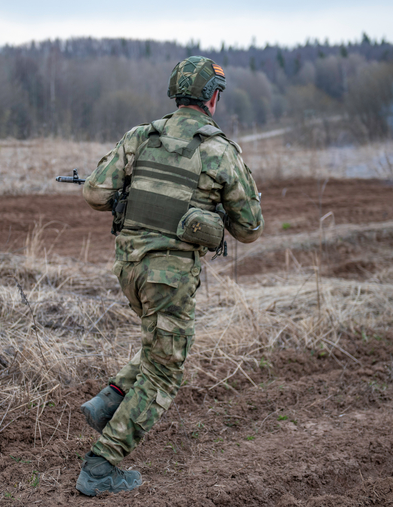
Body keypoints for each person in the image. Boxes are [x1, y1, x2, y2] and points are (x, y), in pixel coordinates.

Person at [76, 56, 264, 496]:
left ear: (175, 92)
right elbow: (250, 230)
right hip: (170, 277)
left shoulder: (141, 136)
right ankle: (101, 467)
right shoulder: (221, 150)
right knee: (166, 370)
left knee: (161, 344)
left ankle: (109, 402)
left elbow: (93, 193)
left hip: (128, 269)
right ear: (213, 98)